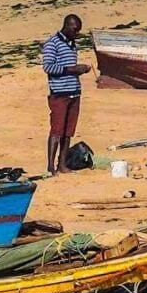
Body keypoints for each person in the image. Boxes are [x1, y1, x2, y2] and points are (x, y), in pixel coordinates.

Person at [42, 14, 91, 175]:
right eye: (75, 30)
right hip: (59, 93)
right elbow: (48, 67)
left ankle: (62, 165)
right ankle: (50, 166)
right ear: (67, 26)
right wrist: (73, 69)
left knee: (68, 132)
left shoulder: (72, 44)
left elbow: (68, 66)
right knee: (56, 131)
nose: (77, 33)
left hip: (74, 92)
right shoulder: (52, 44)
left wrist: (80, 70)